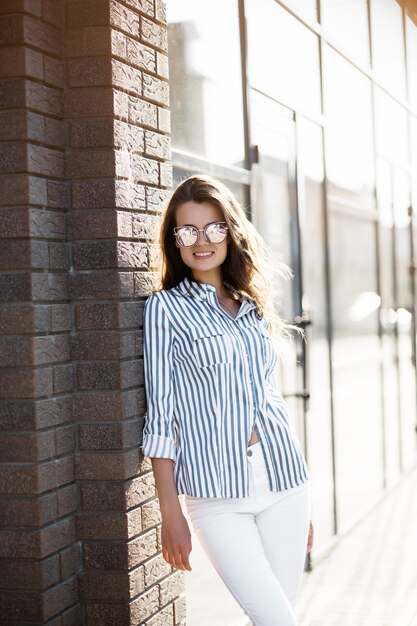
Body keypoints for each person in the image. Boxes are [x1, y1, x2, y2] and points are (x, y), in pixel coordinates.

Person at [140, 174, 314, 626]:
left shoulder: (249, 304)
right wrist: (169, 511)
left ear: (230, 232)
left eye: (214, 227)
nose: (202, 241)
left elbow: (268, 398)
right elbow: (161, 416)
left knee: (279, 617)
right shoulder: (164, 310)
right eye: (188, 231)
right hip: (216, 498)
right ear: (174, 241)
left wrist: (302, 500)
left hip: (285, 483)